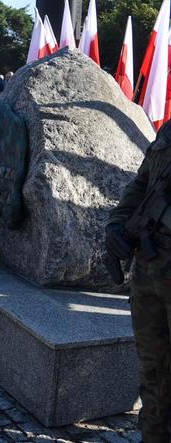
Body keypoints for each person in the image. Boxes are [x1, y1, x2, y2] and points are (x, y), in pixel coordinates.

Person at [106, 121, 171, 443]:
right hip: (150, 264)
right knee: (153, 369)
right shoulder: (169, 132)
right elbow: (141, 184)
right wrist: (116, 225)